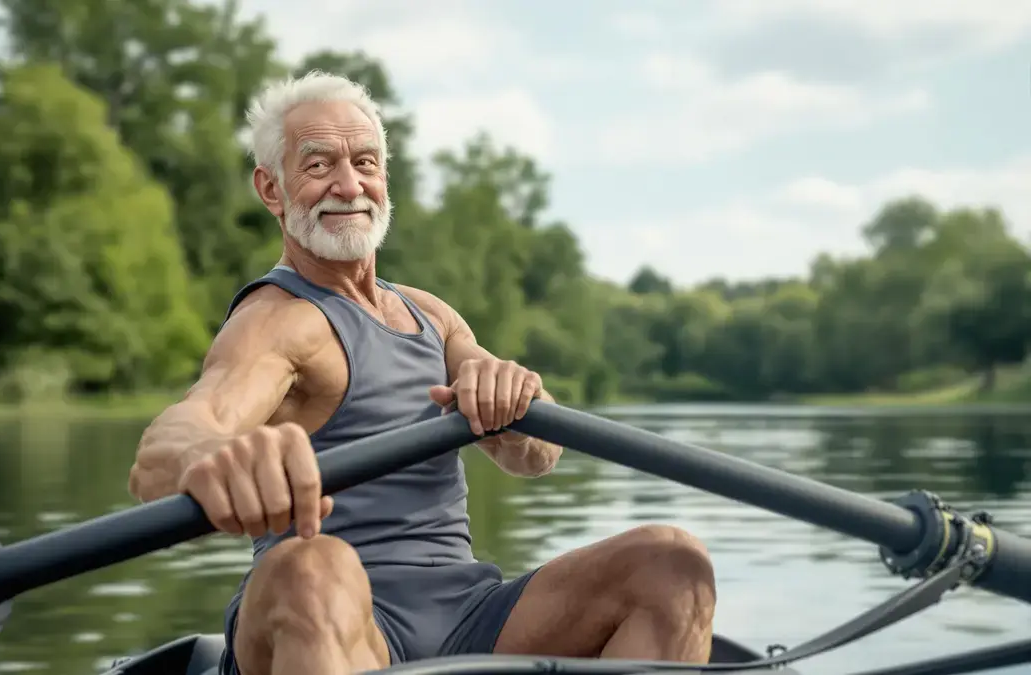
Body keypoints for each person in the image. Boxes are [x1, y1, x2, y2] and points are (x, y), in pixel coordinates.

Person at [127, 71, 716, 675]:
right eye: (318, 164)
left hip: (468, 614)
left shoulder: (430, 314)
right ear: (272, 189)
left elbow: (536, 456)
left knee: (673, 562)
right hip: (333, 623)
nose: (349, 183)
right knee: (312, 564)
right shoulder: (275, 322)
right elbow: (165, 453)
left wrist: (516, 406)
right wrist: (212, 462)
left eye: (364, 162)